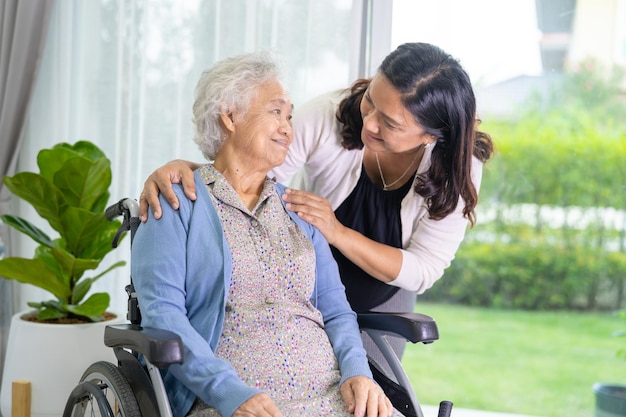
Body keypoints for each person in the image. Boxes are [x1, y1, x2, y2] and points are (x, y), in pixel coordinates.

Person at [139, 42, 494, 365]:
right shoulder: (329, 115)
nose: (368, 123)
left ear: (431, 136)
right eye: (370, 99)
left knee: (373, 394)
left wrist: (337, 232)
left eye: (389, 123)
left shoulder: (457, 168)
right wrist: (185, 169)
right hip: (302, 286)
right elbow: (251, 169)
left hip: (383, 293)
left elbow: (424, 268)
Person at [131, 51, 392, 417]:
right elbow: (164, 317)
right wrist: (229, 393)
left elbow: (336, 312)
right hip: (231, 401)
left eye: (290, 116)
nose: (288, 128)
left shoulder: (300, 211)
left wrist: (358, 373)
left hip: (332, 392)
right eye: (275, 112)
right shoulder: (175, 205)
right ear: (230, 116)